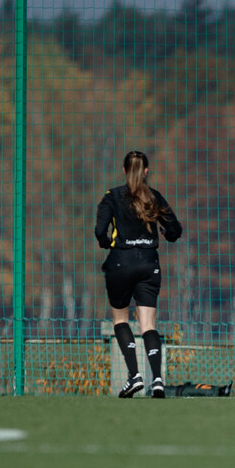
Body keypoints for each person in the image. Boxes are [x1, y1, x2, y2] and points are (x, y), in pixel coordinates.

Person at [95, 151, 182, 398]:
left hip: (120, 263)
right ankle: (157, 380)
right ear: (146, 171)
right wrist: (167, 233)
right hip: (148, 263)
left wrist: (106, 243)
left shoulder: (111, 197)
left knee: (121, 320)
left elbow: (100, 230)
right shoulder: (153, 197)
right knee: (148, 325)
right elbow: (175, 230)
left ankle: (134, 376)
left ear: (124, 171)